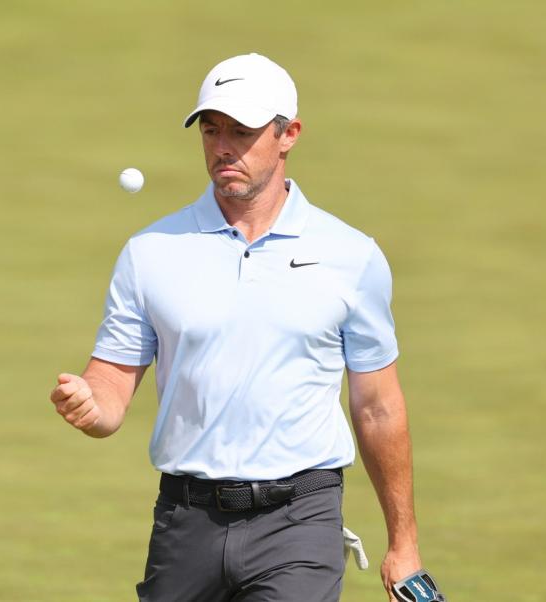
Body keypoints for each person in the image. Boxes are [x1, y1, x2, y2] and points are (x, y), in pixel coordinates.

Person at [49, 53, 422, 602]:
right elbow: (111, 386)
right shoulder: (151, 253)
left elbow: (377, 406)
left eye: (242, 132)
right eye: (211, 129)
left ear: (288, 134)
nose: (224, 146)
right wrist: (90, 406)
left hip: (300, 519)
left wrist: (403, 542)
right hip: (185, 520)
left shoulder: (351, 256)